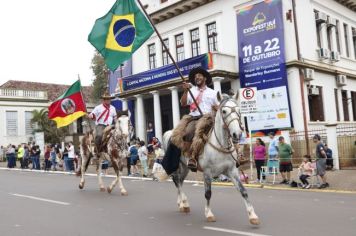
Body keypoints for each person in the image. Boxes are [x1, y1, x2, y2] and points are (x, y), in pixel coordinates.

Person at [160, 67, 218, 177]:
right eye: (196, 77)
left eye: (199, 76)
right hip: (195, 118)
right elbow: (183, 103)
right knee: (188, 133)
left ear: (204, 78)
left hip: (209, 118)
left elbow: (218, 106)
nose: (197, 78)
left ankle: (235, 155)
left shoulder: (213, 93)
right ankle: (192, 157)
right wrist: (186, 90)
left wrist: (217, 107)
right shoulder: (192, 91)